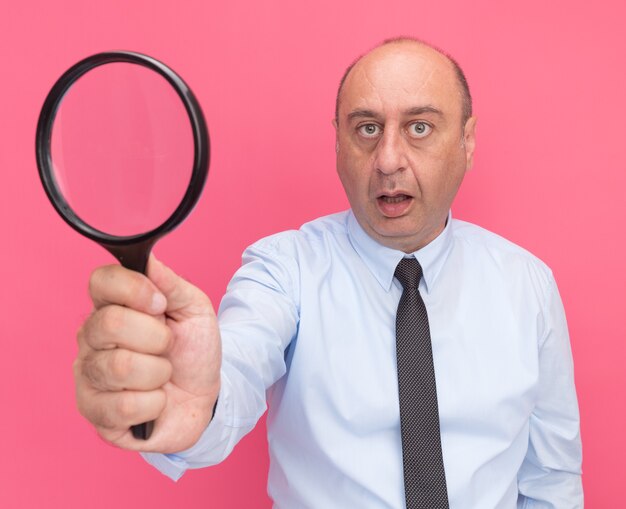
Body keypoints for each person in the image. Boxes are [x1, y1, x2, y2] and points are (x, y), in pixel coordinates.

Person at [74, 38, 583, 508]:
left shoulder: (528, 283)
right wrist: (194, 404)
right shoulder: (283, 269)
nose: (387, 160)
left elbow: (551, 478)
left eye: (419, 127)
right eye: (366, 128)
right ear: (337, 144)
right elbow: (236, 368)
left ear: (467, 142)